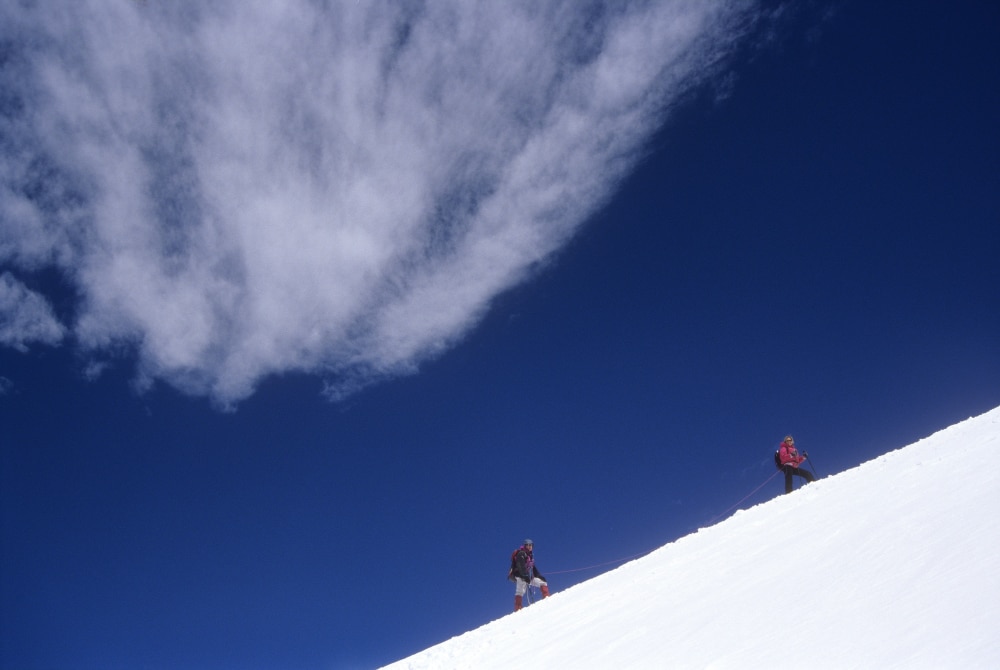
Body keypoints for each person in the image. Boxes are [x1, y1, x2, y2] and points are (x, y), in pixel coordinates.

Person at [508, 539, 550, 611]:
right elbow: (520, 565)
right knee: (520, 591)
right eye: (528, 545)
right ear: (525, 546)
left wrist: (539, 576)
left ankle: (546, 596)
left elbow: (532, 568)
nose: (530, 547)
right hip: (520, 576)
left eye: (531, 545)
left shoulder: (529, 556)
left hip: (527, 576)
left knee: (542, 582)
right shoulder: (521, 553)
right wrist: (524, 575)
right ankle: (518, 608)